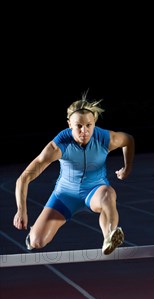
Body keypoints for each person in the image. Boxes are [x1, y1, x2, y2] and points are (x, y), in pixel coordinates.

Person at [13, 93, 135, 254]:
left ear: (94, 123)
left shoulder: (105, 139)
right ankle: (34, 235)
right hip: (65, 196)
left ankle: (109, 237)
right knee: (37, 241)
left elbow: (128, 140)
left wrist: (127, 168)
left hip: (95, 191)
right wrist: (21, 210)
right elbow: (24, 178)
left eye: (88, 125)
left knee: (108, 193)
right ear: (69, 124)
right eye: (78, 126)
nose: (84, 131)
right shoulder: (58, 146)